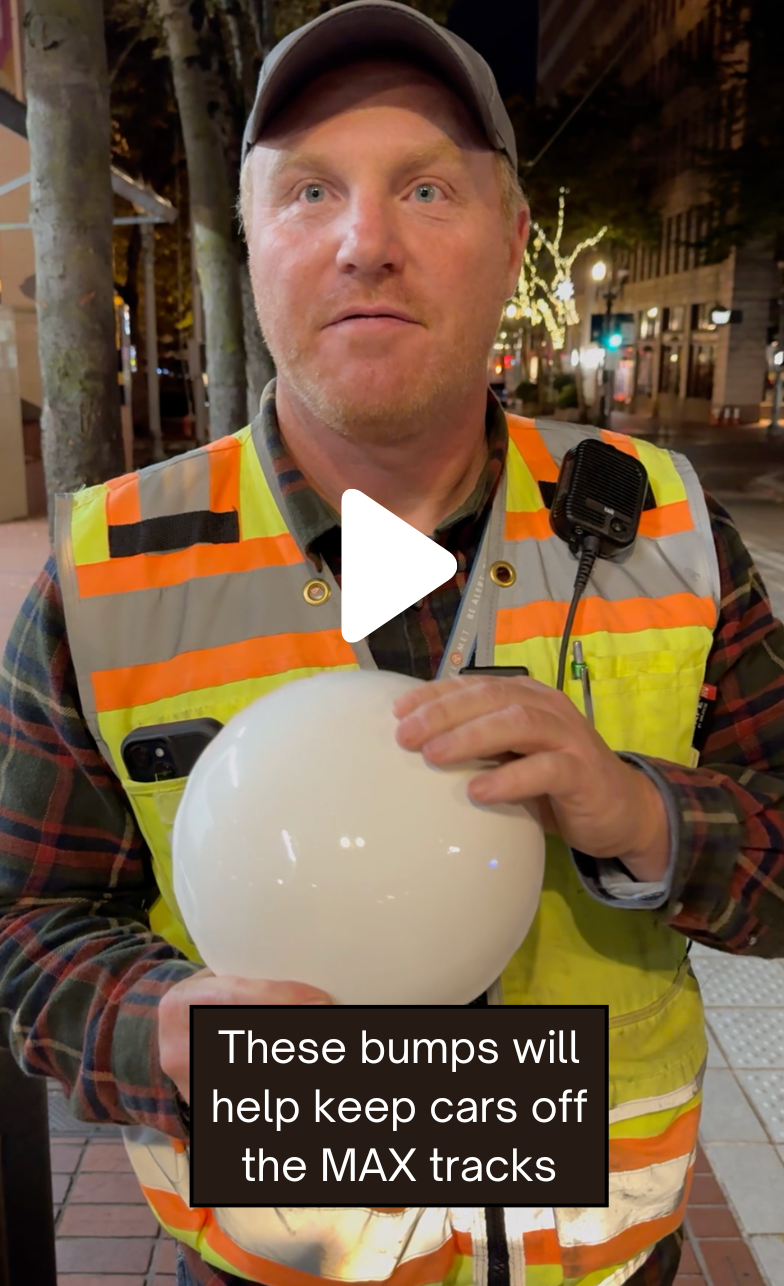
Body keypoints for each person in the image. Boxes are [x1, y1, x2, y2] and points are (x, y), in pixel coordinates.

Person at [1, 3, 783, 1285]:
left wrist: (641, 814)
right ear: (250, 236)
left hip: (594, 1257)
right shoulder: (109, 568)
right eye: (310, 190)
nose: (367, 243)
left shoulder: (667, 529)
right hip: (276, 1262)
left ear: (514, 238)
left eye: (425, 188)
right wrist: (155, 1025)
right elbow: (25, 917)